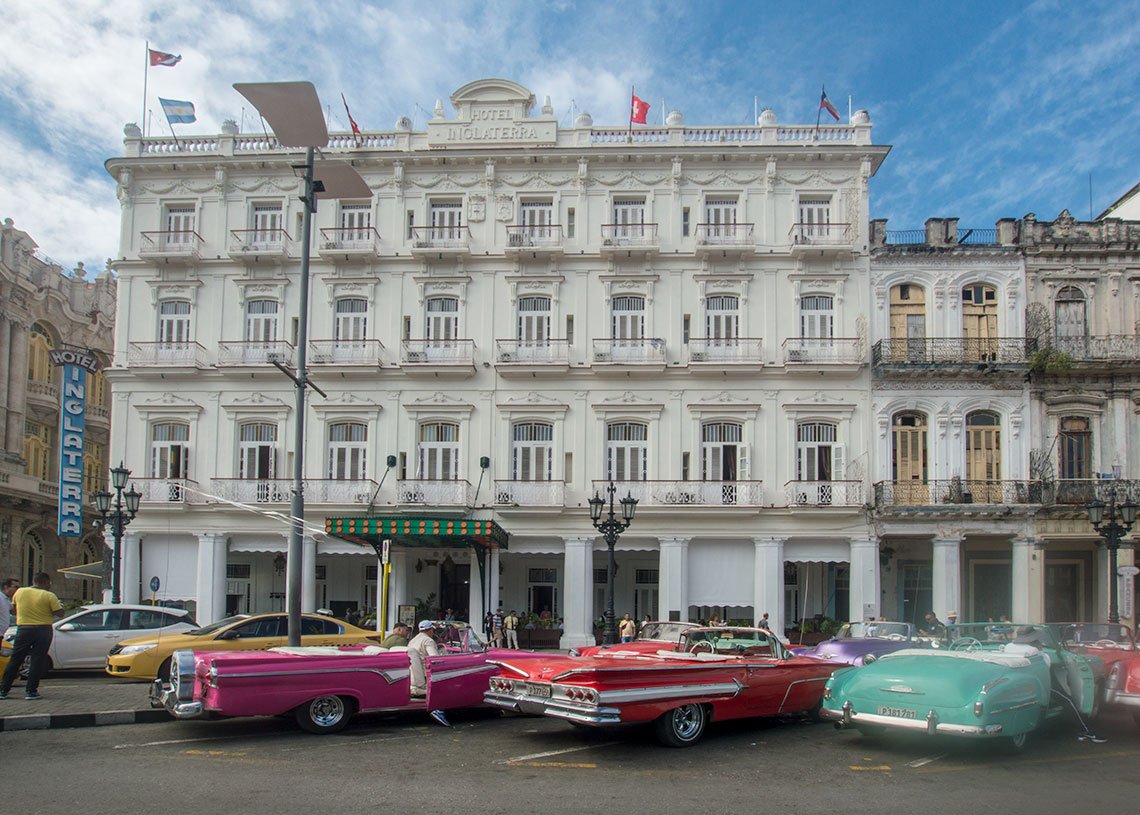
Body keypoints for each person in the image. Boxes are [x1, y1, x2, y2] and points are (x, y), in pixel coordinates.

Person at [0, 572, 63, 700]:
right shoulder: (49, 595)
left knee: (16, 659)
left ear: (34, 581)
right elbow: (60, 613)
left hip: (24, 628)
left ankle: (3, 690)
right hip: (43, 629)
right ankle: (31, 691)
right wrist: (57, 608)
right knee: (37, 659)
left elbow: (14, 609)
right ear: (45, 582)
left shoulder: (20, 592)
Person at [406, 621, 451, 727]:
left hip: (413, 675)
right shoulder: (428, 641)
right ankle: (438, 710)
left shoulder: (412, 640)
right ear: (430, 630)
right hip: (425, 675)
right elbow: (435, 659)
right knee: (447, 687)